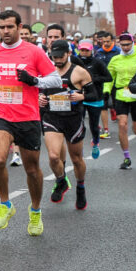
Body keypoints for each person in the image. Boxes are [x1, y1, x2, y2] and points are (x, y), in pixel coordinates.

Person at [0, 10, 61, 235]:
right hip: (1, 114)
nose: (5, 31)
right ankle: (5, 205)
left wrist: (34, 80)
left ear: (19, 27)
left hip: (28, 117)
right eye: (2, 27)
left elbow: (55, 78)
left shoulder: (33, 52)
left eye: (10, 27)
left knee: (32, 169)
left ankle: (35, 212)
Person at [40, 40, 94, 210]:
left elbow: (95, 94)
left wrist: (82, 97)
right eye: (54, 56)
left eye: (60, 56)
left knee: (76, 159)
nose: (57, 60)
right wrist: (40, 98)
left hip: (73, 119)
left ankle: (80, 187)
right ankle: (61, 180)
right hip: (52, 117)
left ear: (68, 54)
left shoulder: (79, 72)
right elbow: (38, 89)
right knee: (54, 156)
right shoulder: (46, 70)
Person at [106, 32, 136, 168]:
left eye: (128, 44)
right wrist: (106, 91)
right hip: (121, 94)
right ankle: (126, 157)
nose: (125, 47)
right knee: (122, 124)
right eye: (123, 45)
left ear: (133, 43)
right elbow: (109, 78)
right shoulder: (115, 59)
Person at [74, 40, 111, 159]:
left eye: (87, 50)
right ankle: (80, 149)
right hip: (80, 97)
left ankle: (95, 143)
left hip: (95, 97)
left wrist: (92, 79)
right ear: (79, 50)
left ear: (91, 51)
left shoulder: (97, 63)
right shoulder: (74, 62)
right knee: (79, 124)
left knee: (94, 126)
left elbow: (108, 77)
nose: (84, 53)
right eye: (82, 50)